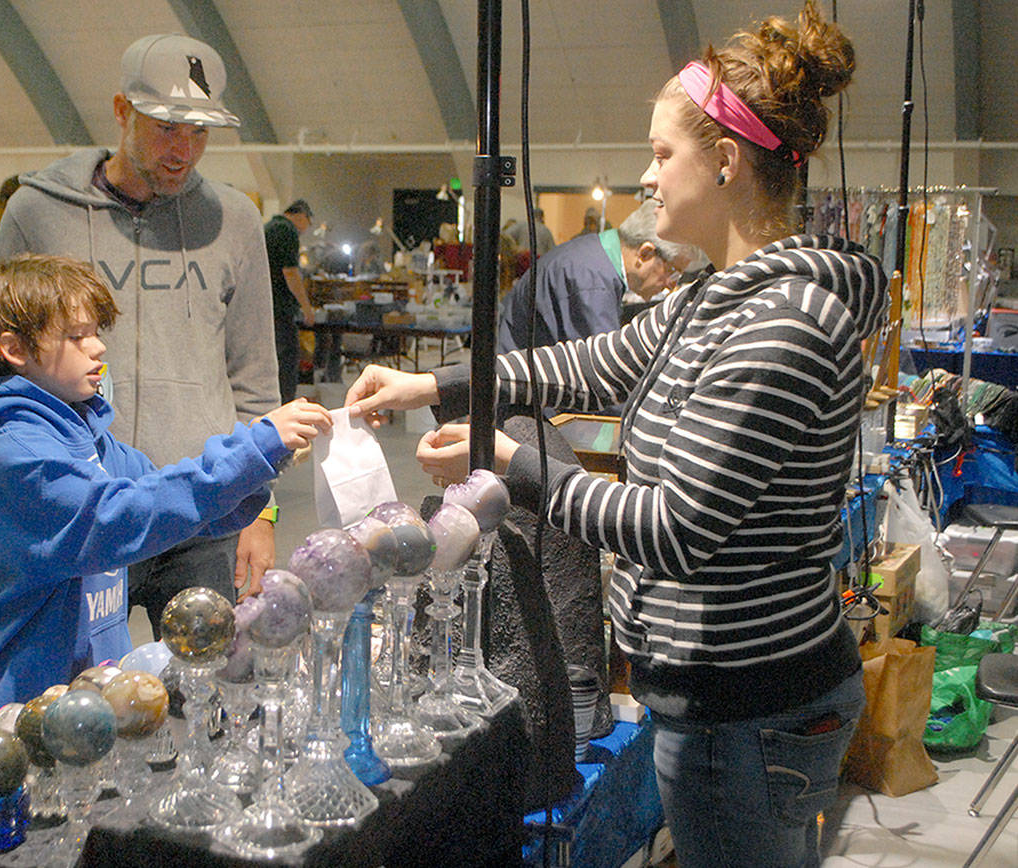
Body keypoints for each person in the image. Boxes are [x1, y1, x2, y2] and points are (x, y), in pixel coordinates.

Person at [344, 4, 879, 865]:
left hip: (746, 709)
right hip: (705, 698)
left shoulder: (784, 322)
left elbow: (677, 530)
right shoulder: (708, 298)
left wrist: (516, 464)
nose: (648, 177)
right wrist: (437, 385)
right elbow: (590, 364)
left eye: (664, 153)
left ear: (729, 162)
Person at [0, 254, 330, 714]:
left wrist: (257, 471)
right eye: (77, 336)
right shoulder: (20, 454)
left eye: (96, 332)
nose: (98, 348)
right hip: (20, 707)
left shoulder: (92, 439)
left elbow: (167, 502)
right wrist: (251, 451)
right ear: (16, 350)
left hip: (88, 704)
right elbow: (118, 517)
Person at [0, 33, 281, 629]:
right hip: (88, 516)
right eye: (166, 127)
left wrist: (260, 510)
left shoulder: (235, 220)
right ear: (122, 111)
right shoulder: (36, 212)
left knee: (208, 706)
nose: (184, 149)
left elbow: (254, 376)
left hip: (205, 509)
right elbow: (0, 370)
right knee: (85, 712)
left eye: (200, 132)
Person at [496, 198, 698, 354]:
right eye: (672, 271)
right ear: (645, 254)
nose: (670, 284)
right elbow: (604, 375)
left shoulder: (595, 255)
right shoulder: (591, 282)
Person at [266, 199, 315, 403]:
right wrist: (307, 308)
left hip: (266, 306)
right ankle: (285, 405)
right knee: (287, 360)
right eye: (308, 223)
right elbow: (291, 273)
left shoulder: (270, 226)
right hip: (280, 308)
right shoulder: (286, 230)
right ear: (302, 216)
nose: (306, 229)